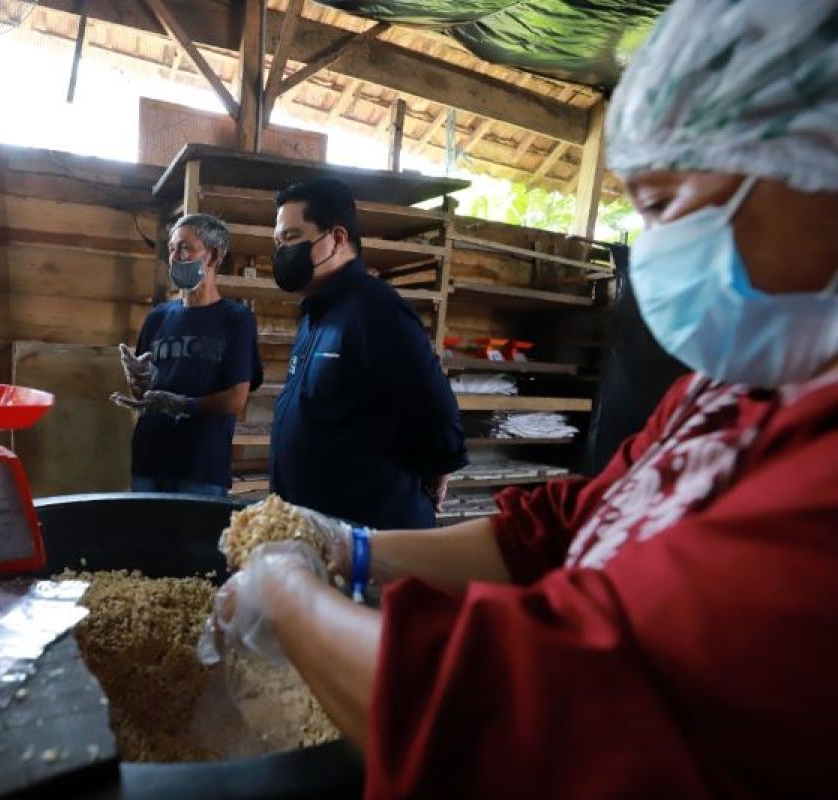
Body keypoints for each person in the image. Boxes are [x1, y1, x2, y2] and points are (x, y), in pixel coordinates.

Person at [204, 2, 838, 797]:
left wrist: (290, 595)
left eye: (672, 206)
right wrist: (350, 549)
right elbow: (566, 524)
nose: (657, 250)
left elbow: (524, 717)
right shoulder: (725, 392)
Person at [268, 177, 467, 529]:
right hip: (319, 528)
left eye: (293, 238)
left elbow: (435, 407)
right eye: (278, 241)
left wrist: (439, 467)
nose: (282, 251)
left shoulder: (374, 310)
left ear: (338, 238)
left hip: (368, 535)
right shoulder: (316, 315)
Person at [111, 213, 262, 496]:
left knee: (195, 540)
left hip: (201, 466)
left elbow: (236, 399)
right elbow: (144, 394)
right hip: (149, 458)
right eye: (171, 249)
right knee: (144, 540)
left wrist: (182, 404)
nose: (175, 257)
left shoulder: (236, 320)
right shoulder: (158, 317)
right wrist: (139, 380)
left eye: (184, 248)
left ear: (213, 256)